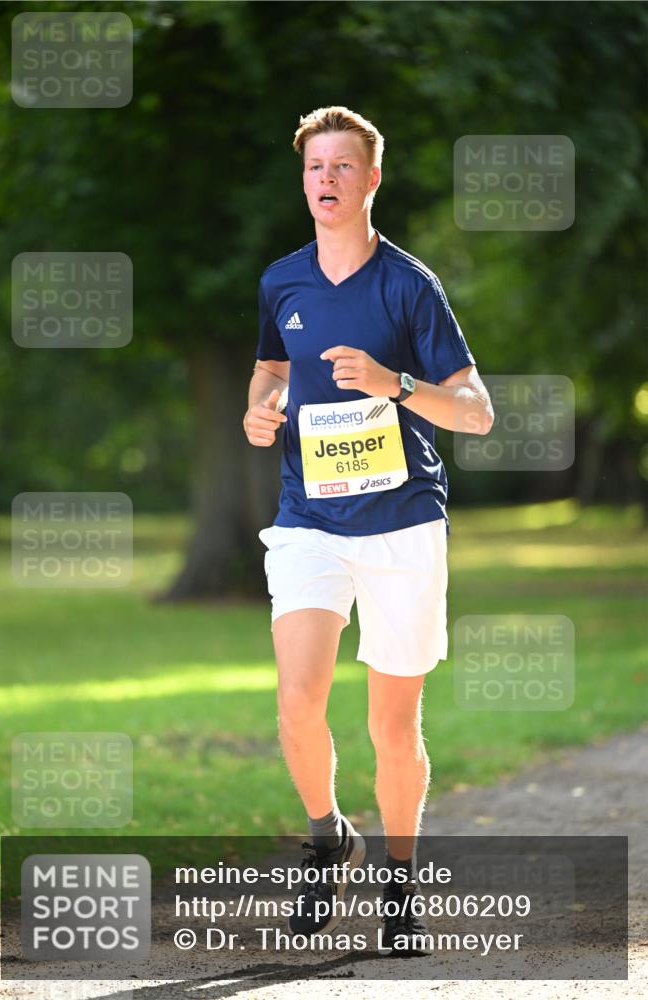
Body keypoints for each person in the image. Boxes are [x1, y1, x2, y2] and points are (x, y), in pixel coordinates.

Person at [242, 106, 493, 955]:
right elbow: (274, 363)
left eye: (343, 167)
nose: (326, 180)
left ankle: (400, 889)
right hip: (308, 519)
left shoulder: (408, 285)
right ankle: (326, 837)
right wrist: (259, 406)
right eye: (315, 168)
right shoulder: (282, 281)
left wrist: (394, 383)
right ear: (302, 179)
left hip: (400, 525)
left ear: (371, 178)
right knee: (297, 699)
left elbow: (476, 412)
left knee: (393, 726)